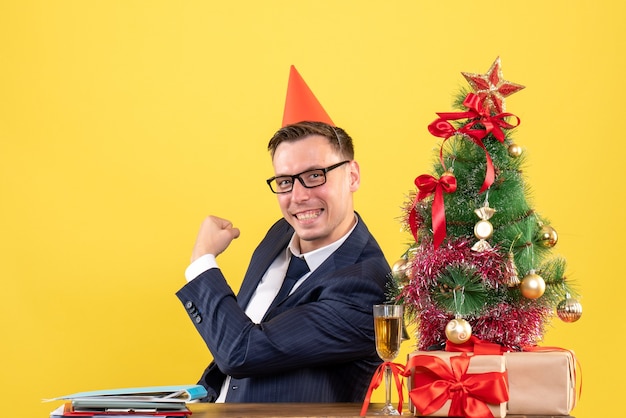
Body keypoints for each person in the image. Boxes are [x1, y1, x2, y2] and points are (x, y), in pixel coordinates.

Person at [176, 67, 391, 403]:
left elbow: (242, 351)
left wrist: (202, 263)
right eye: (286, 181)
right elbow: (235, 354)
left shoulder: (367, 288)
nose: (299, 197)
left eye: (315, 175)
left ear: (352, 176)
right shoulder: (279, 235)